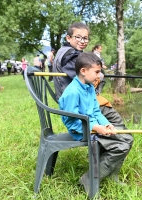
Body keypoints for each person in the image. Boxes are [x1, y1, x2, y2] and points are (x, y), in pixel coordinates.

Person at [53, 22, 133, 195]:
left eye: (85, 38)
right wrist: (97, 128)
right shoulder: (72, 93)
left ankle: (109, 174)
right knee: (122, 144)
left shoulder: (88, 87)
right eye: (97, 72)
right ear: (83, 71)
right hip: (81, 130)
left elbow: (96, 111)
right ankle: (88, 180)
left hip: (92, 124)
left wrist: (106, 124)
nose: (99, 76)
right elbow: (74, 122)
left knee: (127, 139)